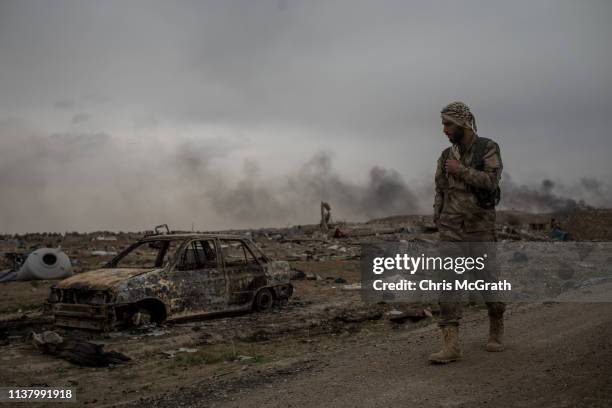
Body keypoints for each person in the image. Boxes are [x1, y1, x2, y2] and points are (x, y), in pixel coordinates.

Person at [429, 101, 506, 364]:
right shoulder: (444, 156)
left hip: (480, 228)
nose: (444, 129)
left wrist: (460, 170)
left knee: (487, 281)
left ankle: (496, 327)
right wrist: (438, 215)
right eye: (443, 124)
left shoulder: (488, 148)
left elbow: (491, 181)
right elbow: (440, 188)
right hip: (451, 230)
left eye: (448, 124)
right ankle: (451, 345)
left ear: (463, 123)